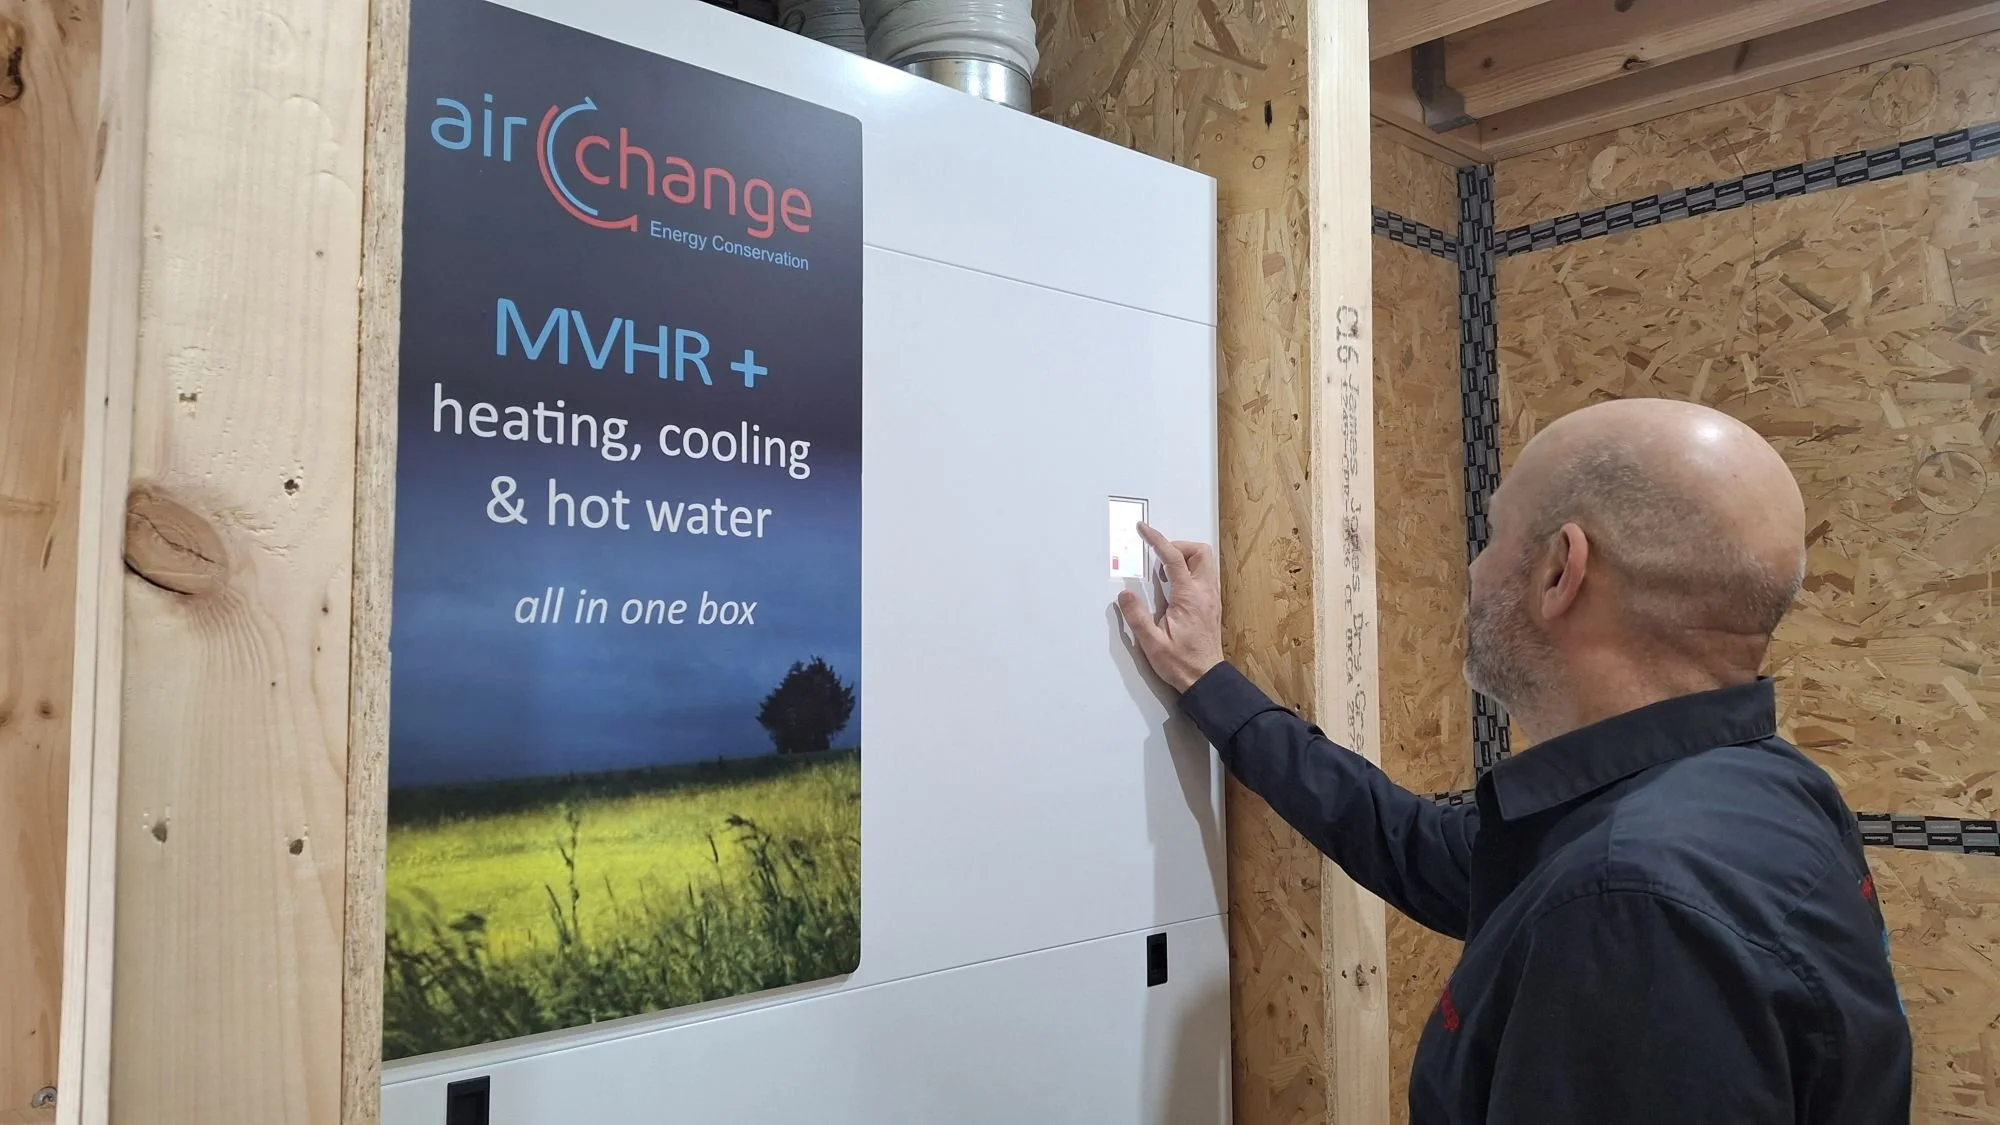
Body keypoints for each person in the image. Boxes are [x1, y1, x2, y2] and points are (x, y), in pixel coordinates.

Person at [1118, 398, 1912, 1124]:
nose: (1473, 568)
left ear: (1562, 570)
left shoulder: (1631, 901)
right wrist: (1210, 682)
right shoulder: (1762, 790)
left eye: (1494, 535)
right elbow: (1414, 845)